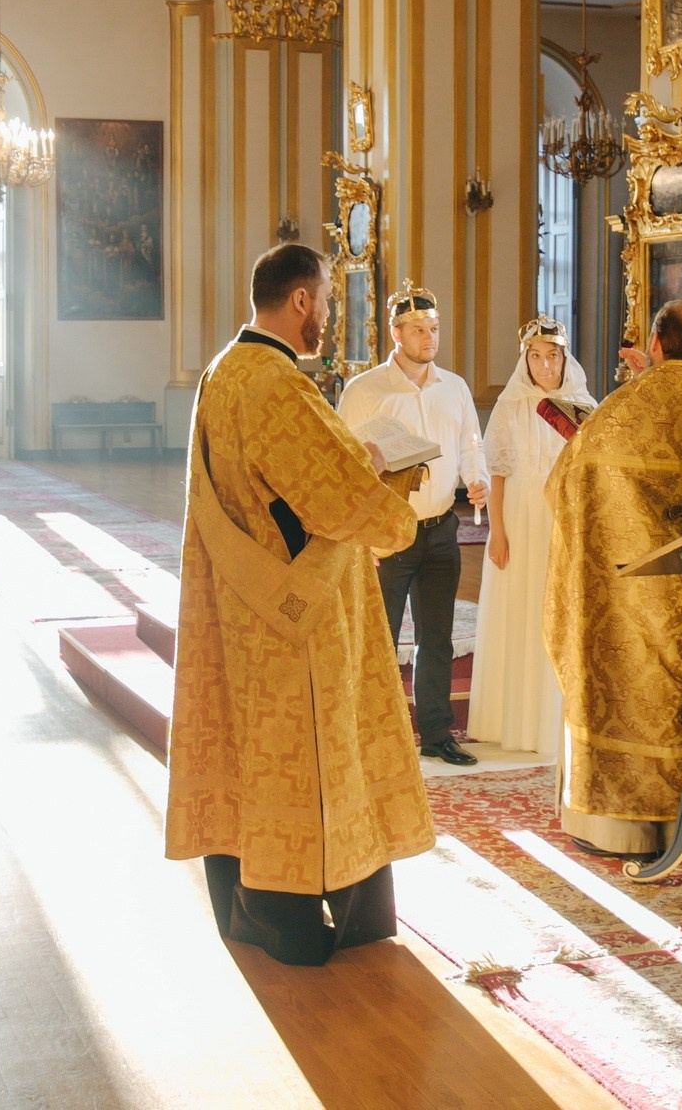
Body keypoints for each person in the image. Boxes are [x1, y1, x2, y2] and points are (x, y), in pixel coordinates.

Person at [165, 243, 433, 966]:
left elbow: (279, 480)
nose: (327, 317)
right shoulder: (277, 383)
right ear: (303, 301)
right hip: (298, 620)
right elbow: (339, 498)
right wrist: (395, 508)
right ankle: (291, 918)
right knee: (311, 756)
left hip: (241, 605)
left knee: (252, 755)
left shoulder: (224, 372)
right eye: (325, 301)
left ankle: (247, 903)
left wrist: (354, 458)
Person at [544, 299, 682, 859]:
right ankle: (680, 822)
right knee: (675, 704)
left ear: (657, 343)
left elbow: (578, 469)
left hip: (624, 593)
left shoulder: (641, 401)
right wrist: (642, 387)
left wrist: (633, 392)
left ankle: (615, 828)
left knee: (625, 697)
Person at [337, 280, 490, 766]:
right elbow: (344, 459)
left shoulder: (456, 387)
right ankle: (372, 735)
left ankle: (438, 734)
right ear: (396, 333)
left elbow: (471, 445)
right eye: (419, 329)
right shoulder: (365, 391)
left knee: (436, 638)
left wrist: (478, 480)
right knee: (378, 638)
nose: (430, 337)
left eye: (435, 329)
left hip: (443, 527)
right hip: (387, 533)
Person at [468, 316, 597, 757]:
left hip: (563, 518)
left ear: (565, 359)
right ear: (526, 361)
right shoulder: (511, 405)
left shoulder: (584, 406)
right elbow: (499, 472)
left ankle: (556, 718)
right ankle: (514, 720)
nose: (545, 366)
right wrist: (497, 531)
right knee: (522, 606)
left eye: (553, 356)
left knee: (560, 611)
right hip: (521, 515)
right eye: (537, 357)